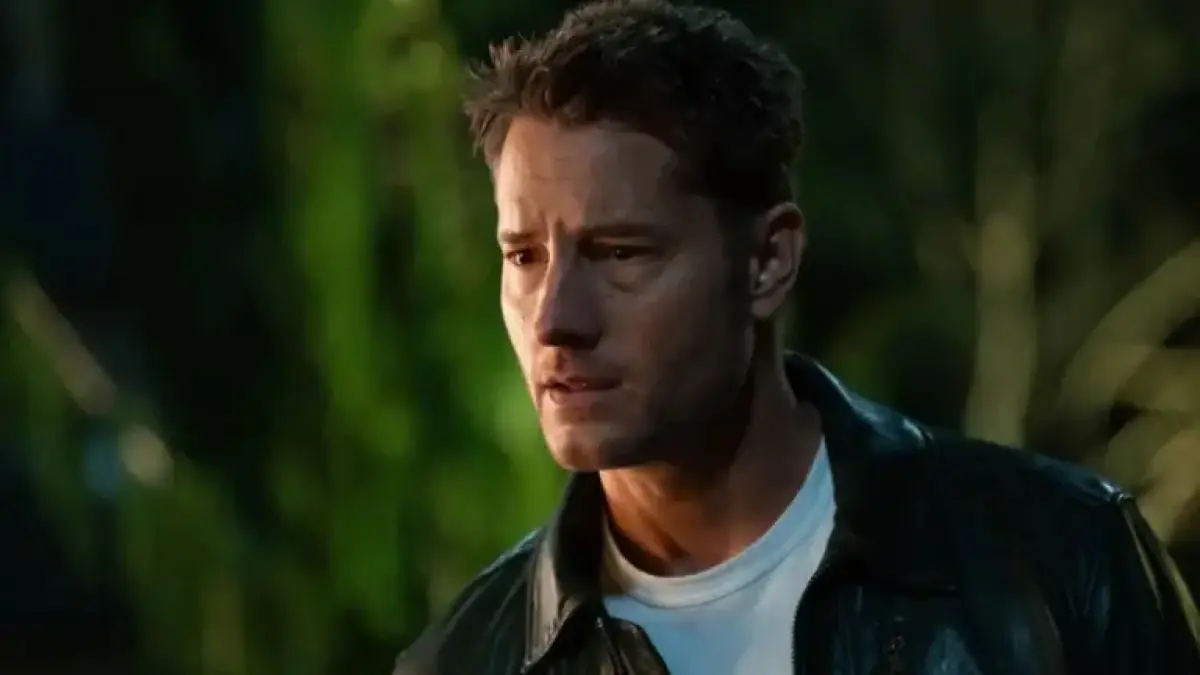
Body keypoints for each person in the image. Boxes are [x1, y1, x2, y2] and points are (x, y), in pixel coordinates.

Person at [393, 1, 1200, 673]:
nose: (554, 317)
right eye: (524, 257)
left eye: (620, 253)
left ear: (768, 262)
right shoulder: (469, 659)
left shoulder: (1058, 564)